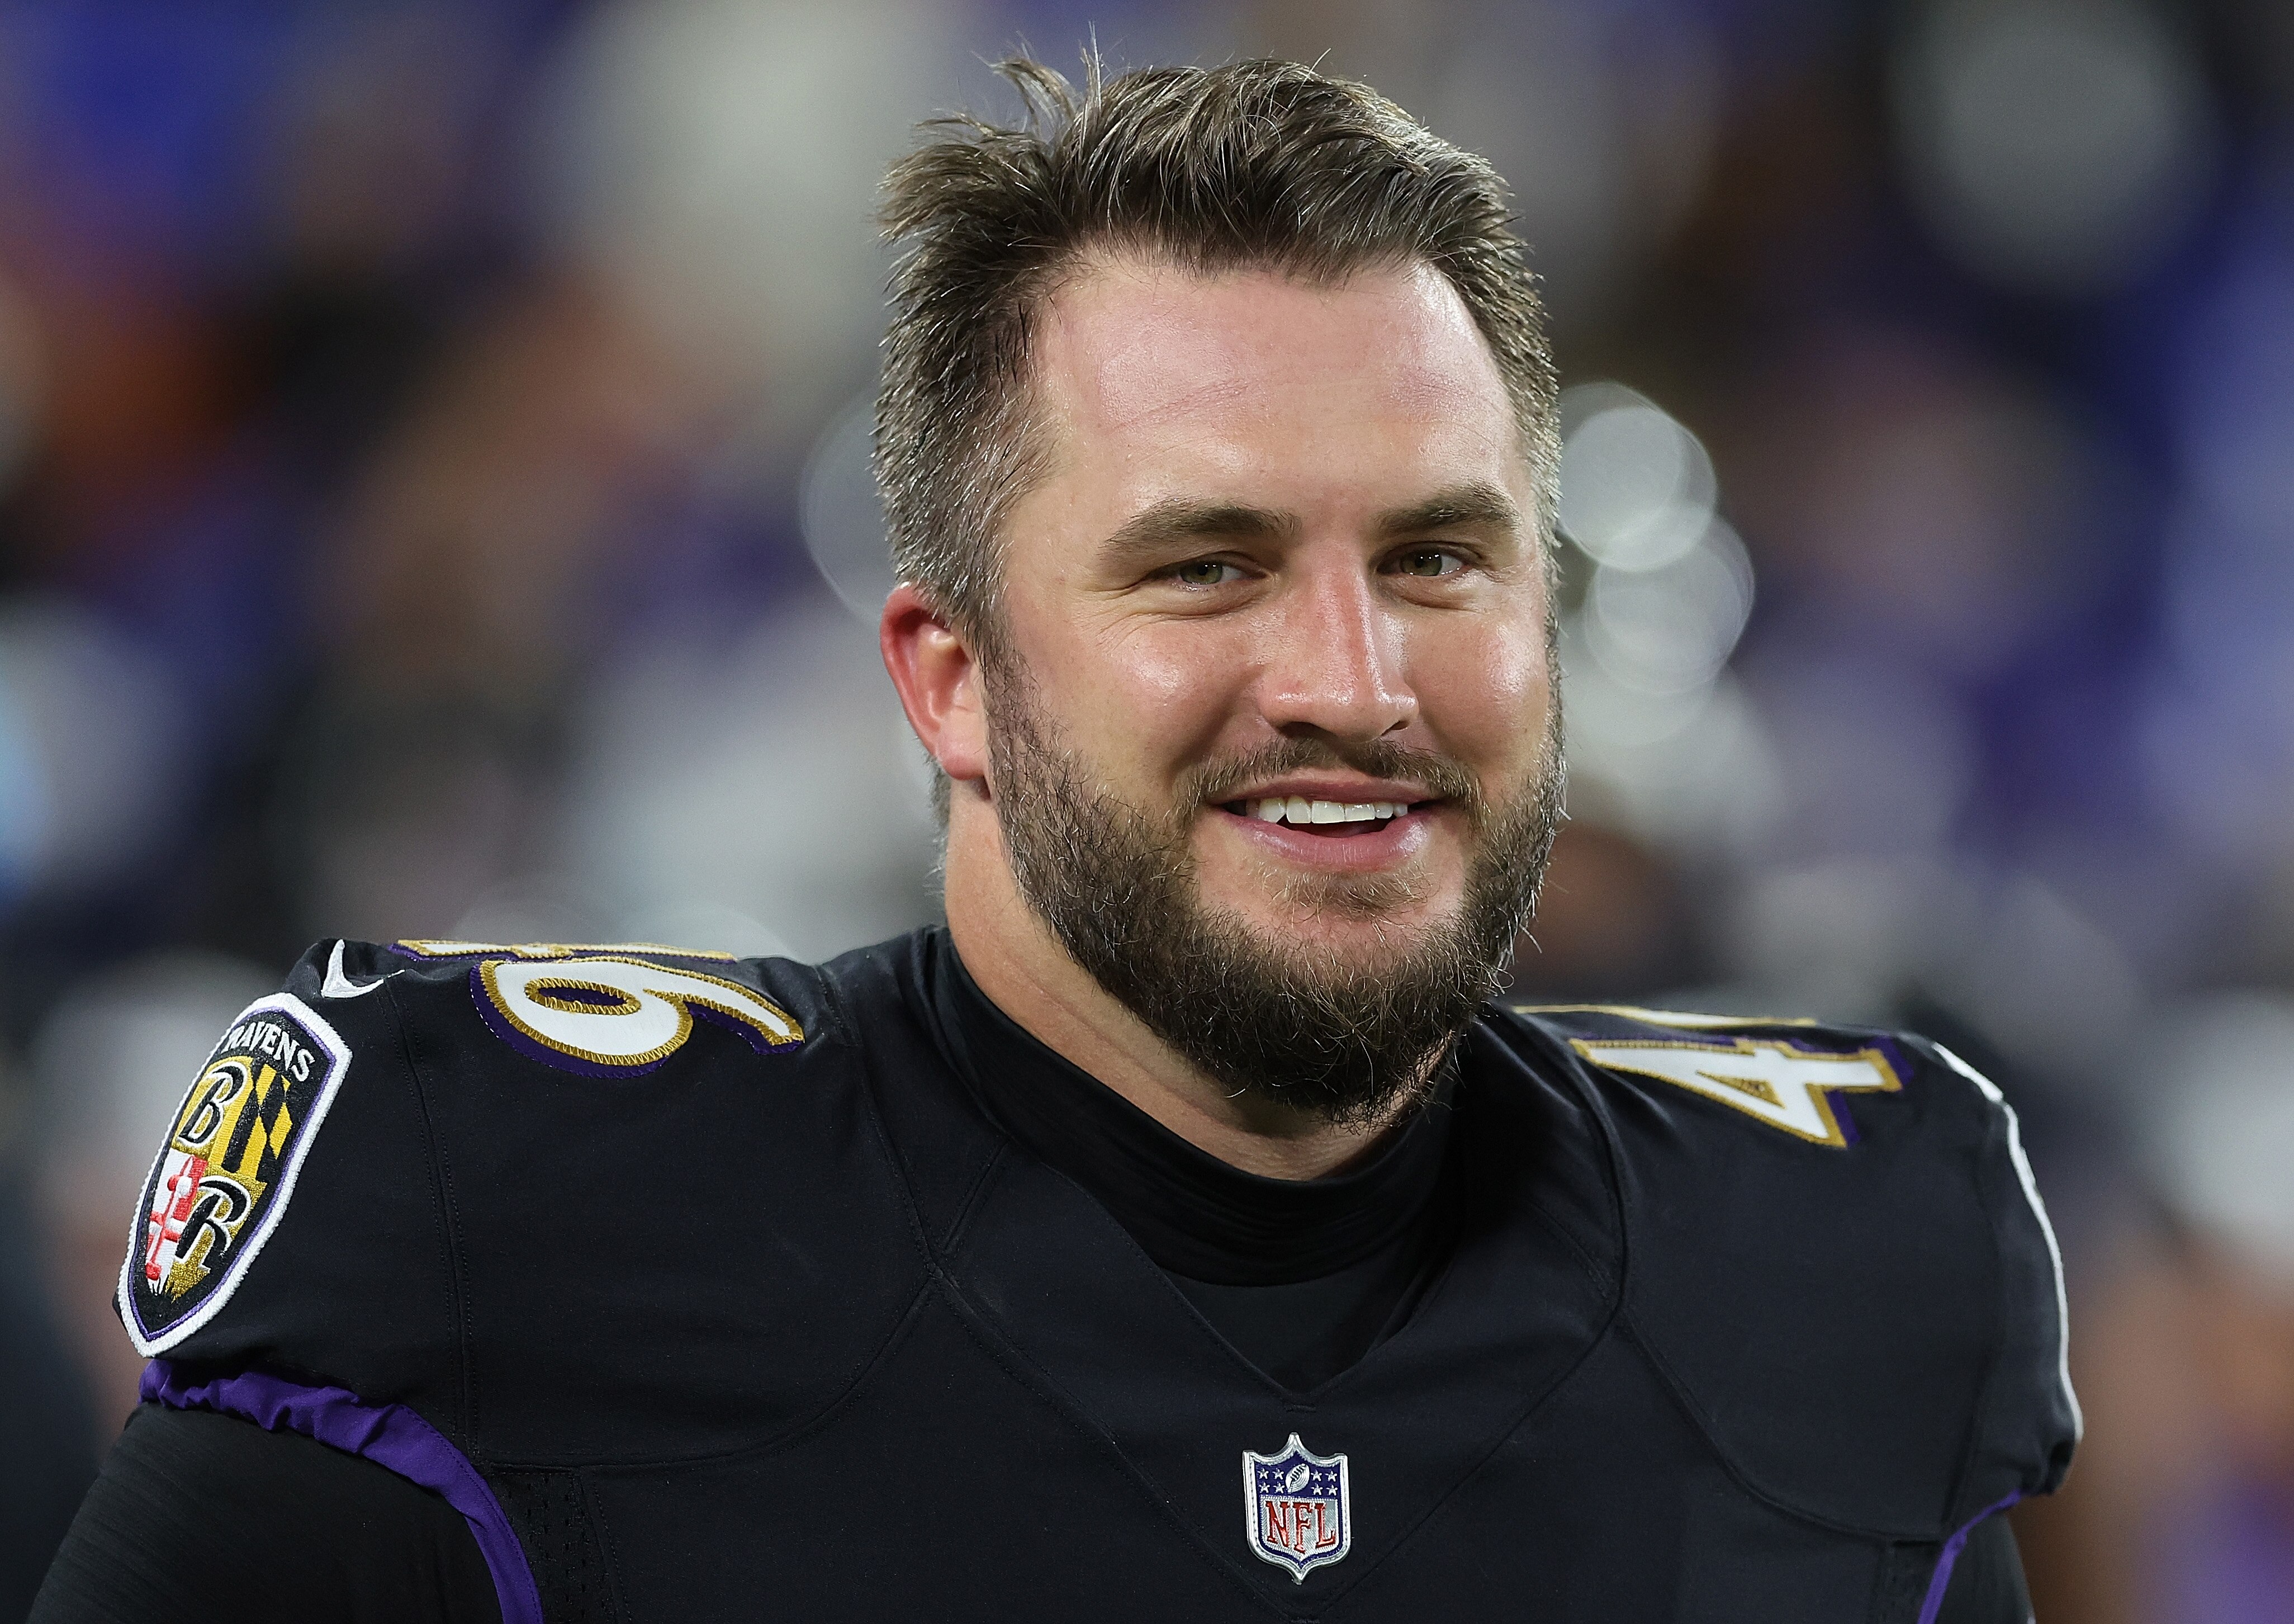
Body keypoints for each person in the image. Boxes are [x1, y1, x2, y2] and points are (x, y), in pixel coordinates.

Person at [34, 57, 2073, 1622]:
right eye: (1209, 566)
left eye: (1443, 556)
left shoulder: (1845, 1261)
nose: (1354, 679)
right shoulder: (502, 1205)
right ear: (951, 680)